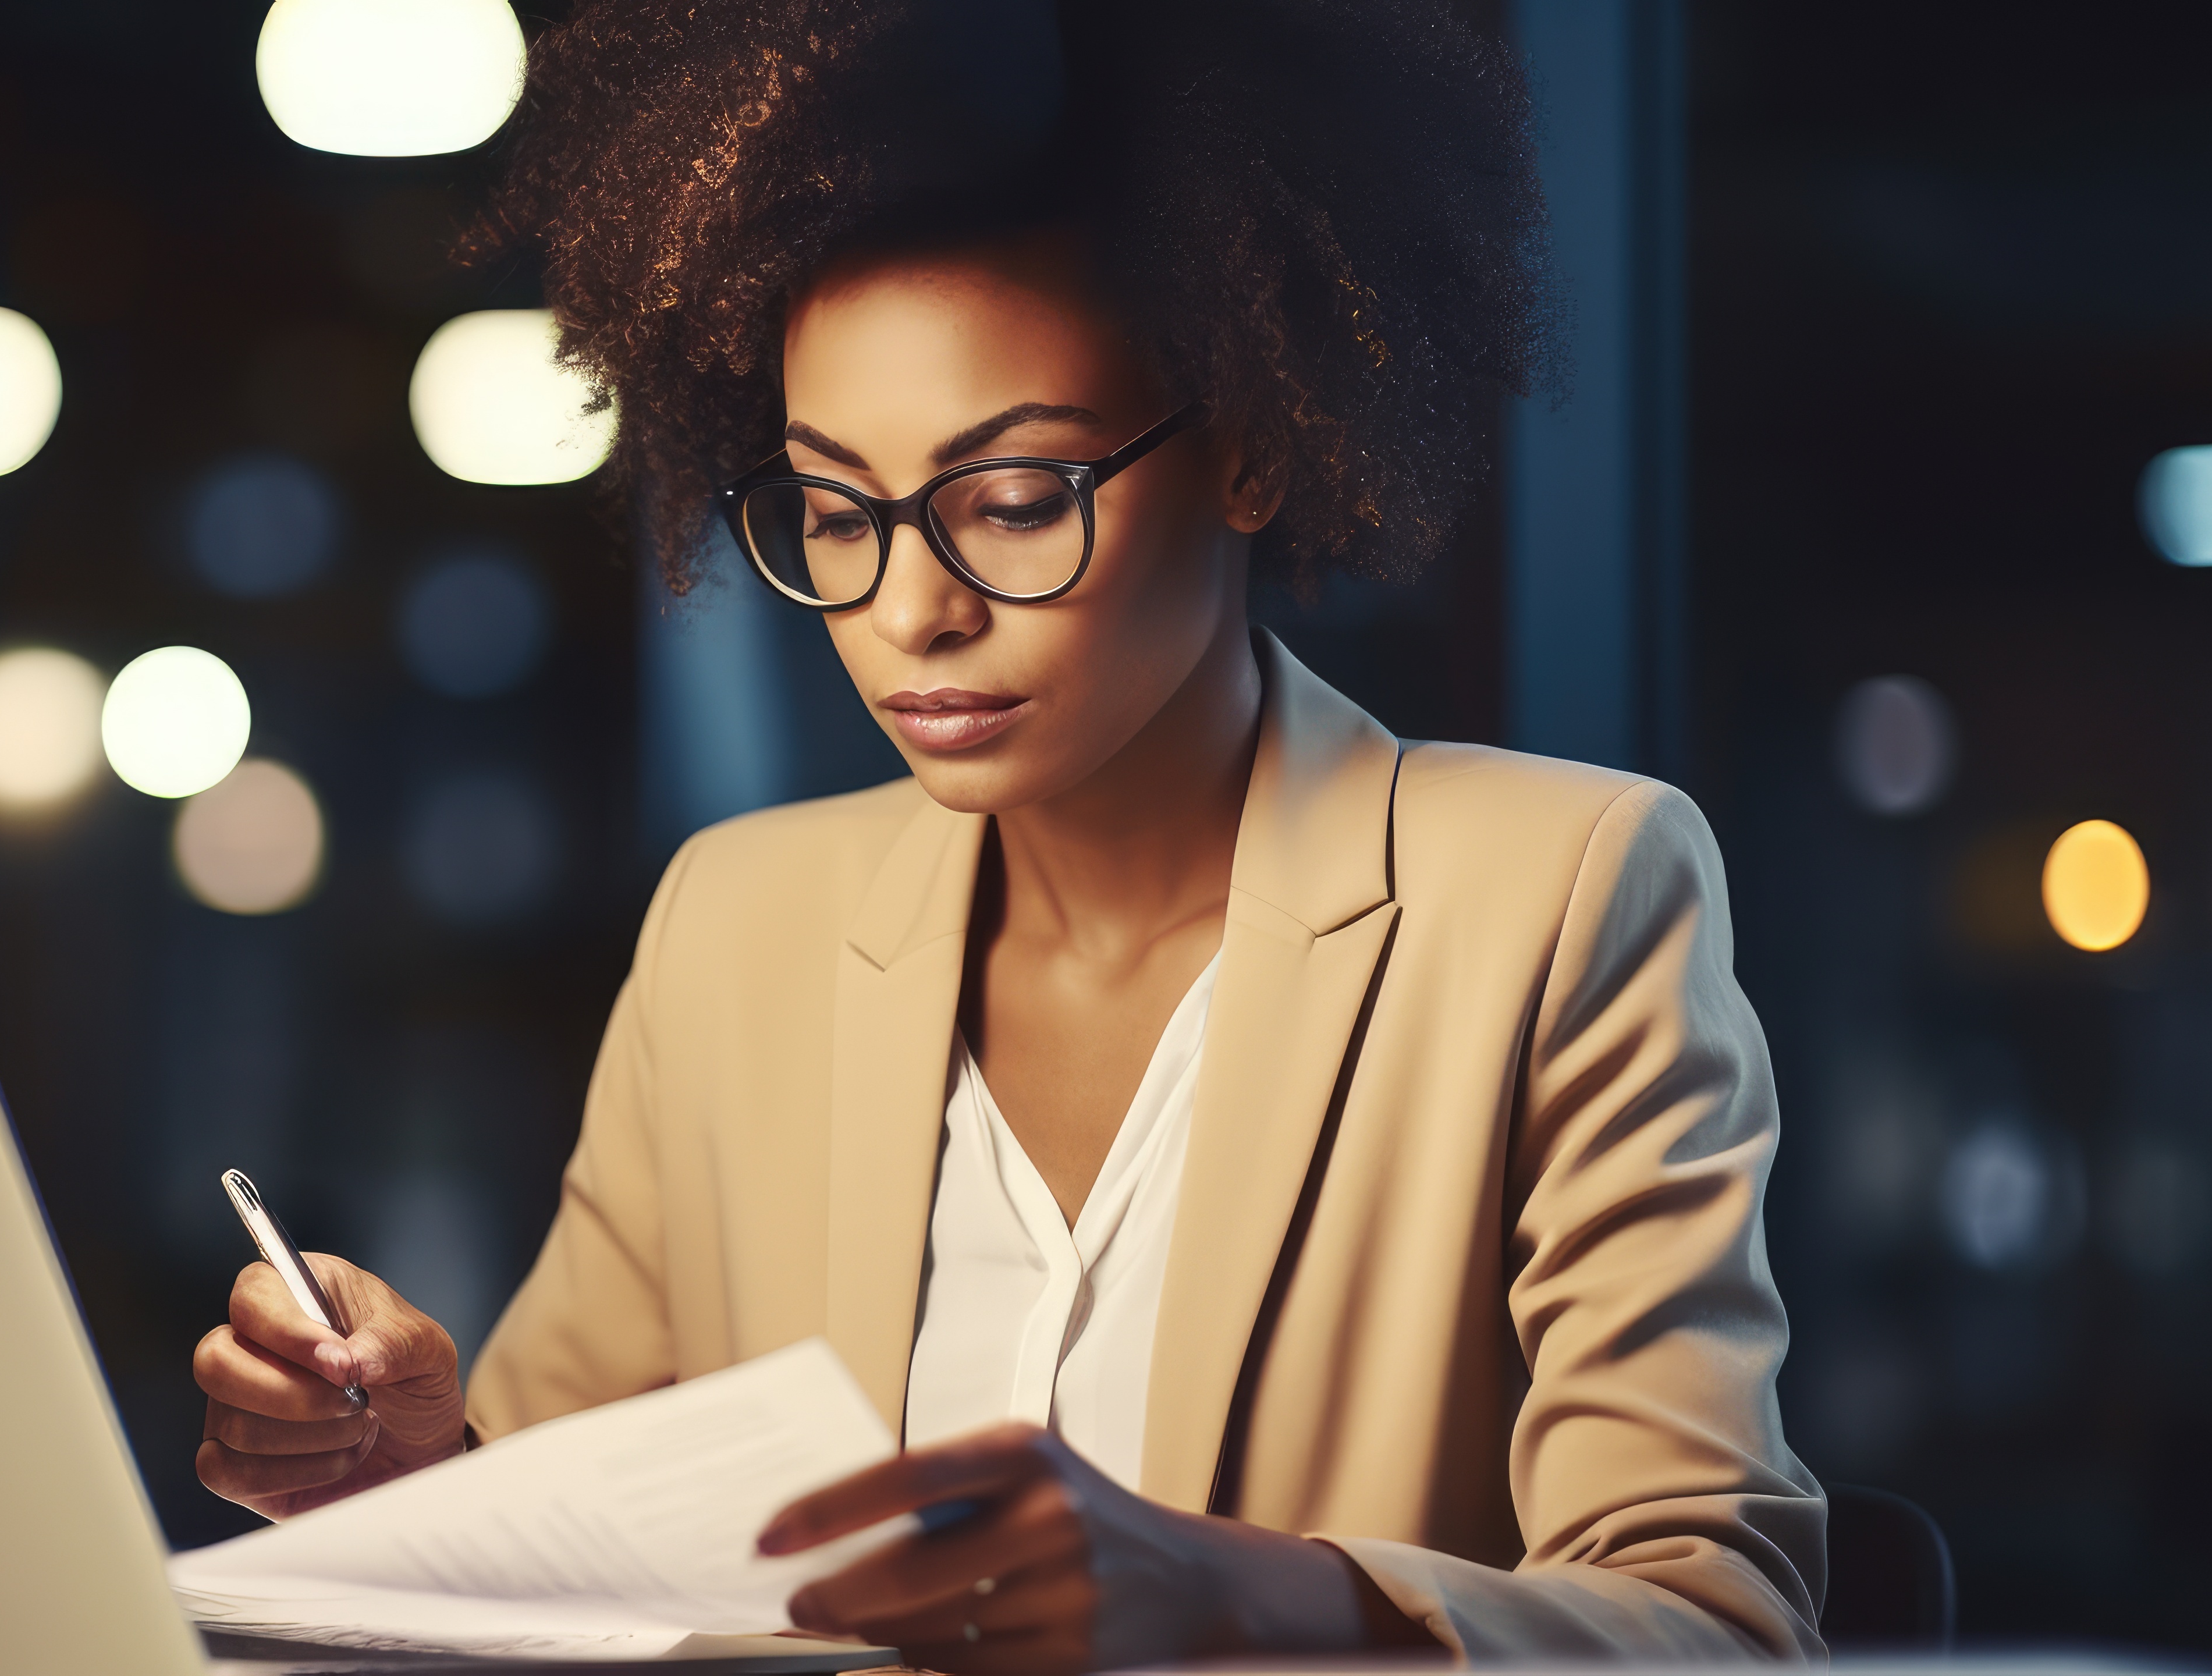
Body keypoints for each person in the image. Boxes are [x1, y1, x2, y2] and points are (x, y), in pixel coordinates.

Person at [192, 0, 1823, 1665]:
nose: (910, 611)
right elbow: (580, 1538)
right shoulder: (738, 927)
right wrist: (414, 1472)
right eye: (836, 512)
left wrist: (1233, 1596)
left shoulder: (1557, 897)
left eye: (1017, 500)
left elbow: (1718, 1624)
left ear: (1252, 446)